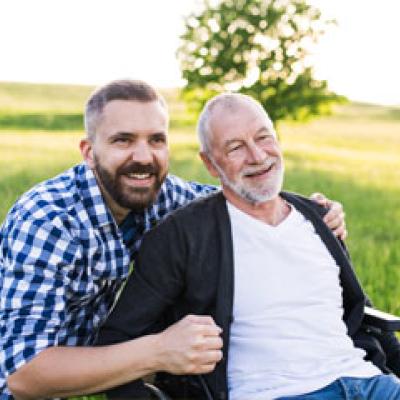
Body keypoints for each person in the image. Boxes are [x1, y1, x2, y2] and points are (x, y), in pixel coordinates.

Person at [0, 80, 346, 400]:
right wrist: (159, 351)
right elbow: (22, 375)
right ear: (89, 152)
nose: (143, 157)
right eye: (123, 140)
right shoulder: (49, 220)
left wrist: (315, 211)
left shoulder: (161, 194)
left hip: (89, 370)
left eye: (156, 139)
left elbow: (243, 196)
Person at [97, 93, 400, 400]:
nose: (257, 156)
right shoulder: (182, 236)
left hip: (368, 382)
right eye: (236, 147)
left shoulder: (319, 217)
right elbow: (117, 338)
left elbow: (362, 313)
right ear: (210, 164)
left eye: (263, 137)